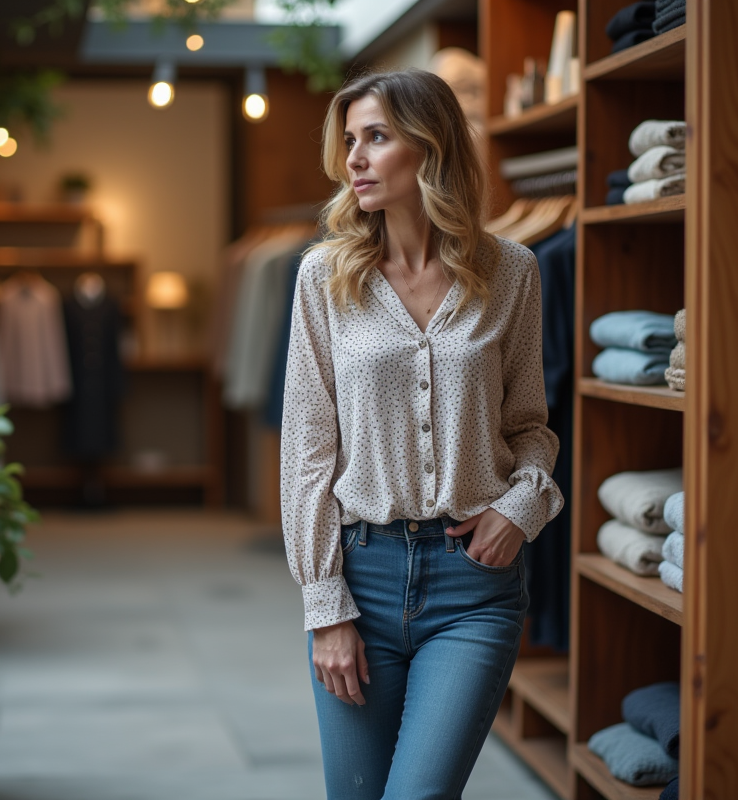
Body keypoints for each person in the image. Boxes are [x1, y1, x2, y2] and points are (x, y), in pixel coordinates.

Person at [280, 69, 563, 799]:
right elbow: (307, 455)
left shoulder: (514, 273)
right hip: (361, 578)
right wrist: (325, 606)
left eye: (377, 137)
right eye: (349, 141)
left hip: (473, 586)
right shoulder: (325, 278)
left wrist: (522, 507)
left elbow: (530, 426)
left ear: (429, 146)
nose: (356, 159)